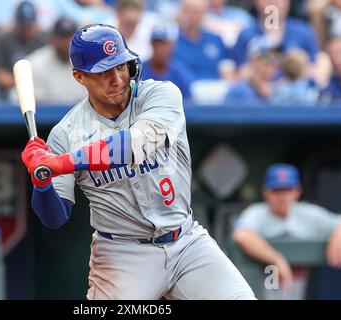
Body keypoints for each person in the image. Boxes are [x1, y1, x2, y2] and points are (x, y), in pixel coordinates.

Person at [21, 24, 255, 300]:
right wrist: (41, 178)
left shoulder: (161, 95)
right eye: (103, 72)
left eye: (121, 66)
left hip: (186, 240)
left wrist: (63, 163)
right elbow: (54, 217)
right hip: (122, 254)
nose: (117, 78)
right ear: (80, 77)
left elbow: (135, 144)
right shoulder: (66, 133)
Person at [232, 164, 341, 299]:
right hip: (266, 278)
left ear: (297, 191)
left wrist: (339, 236)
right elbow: (241, 235)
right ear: (265, 192)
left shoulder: (307, 213)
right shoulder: (256, 212)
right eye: (276, 190)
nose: (282, 196)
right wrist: (277, 259)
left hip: (300, 283)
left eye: (287, 190)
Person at [0, 0, 47, 99]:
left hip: (43, 91)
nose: (26, 30)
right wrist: (24, 83)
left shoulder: (44, 39)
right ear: (16, 22)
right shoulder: (4, 40)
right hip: (12, 92)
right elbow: (0, 76)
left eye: (29, 26)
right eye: (23, 26)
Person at [26, 17, 86, 104]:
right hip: (46, 117)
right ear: (52, 38)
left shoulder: (88, 62)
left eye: (70, 37)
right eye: (62, 37)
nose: (67, 42)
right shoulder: (35, 64)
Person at [141, 21, 191, 100]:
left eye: (163, 44)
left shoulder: (179, 71)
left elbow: (189, 102)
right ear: (151, 44)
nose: (159, 48)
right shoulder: (140, 70)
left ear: (172, 45)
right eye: (156, 44)